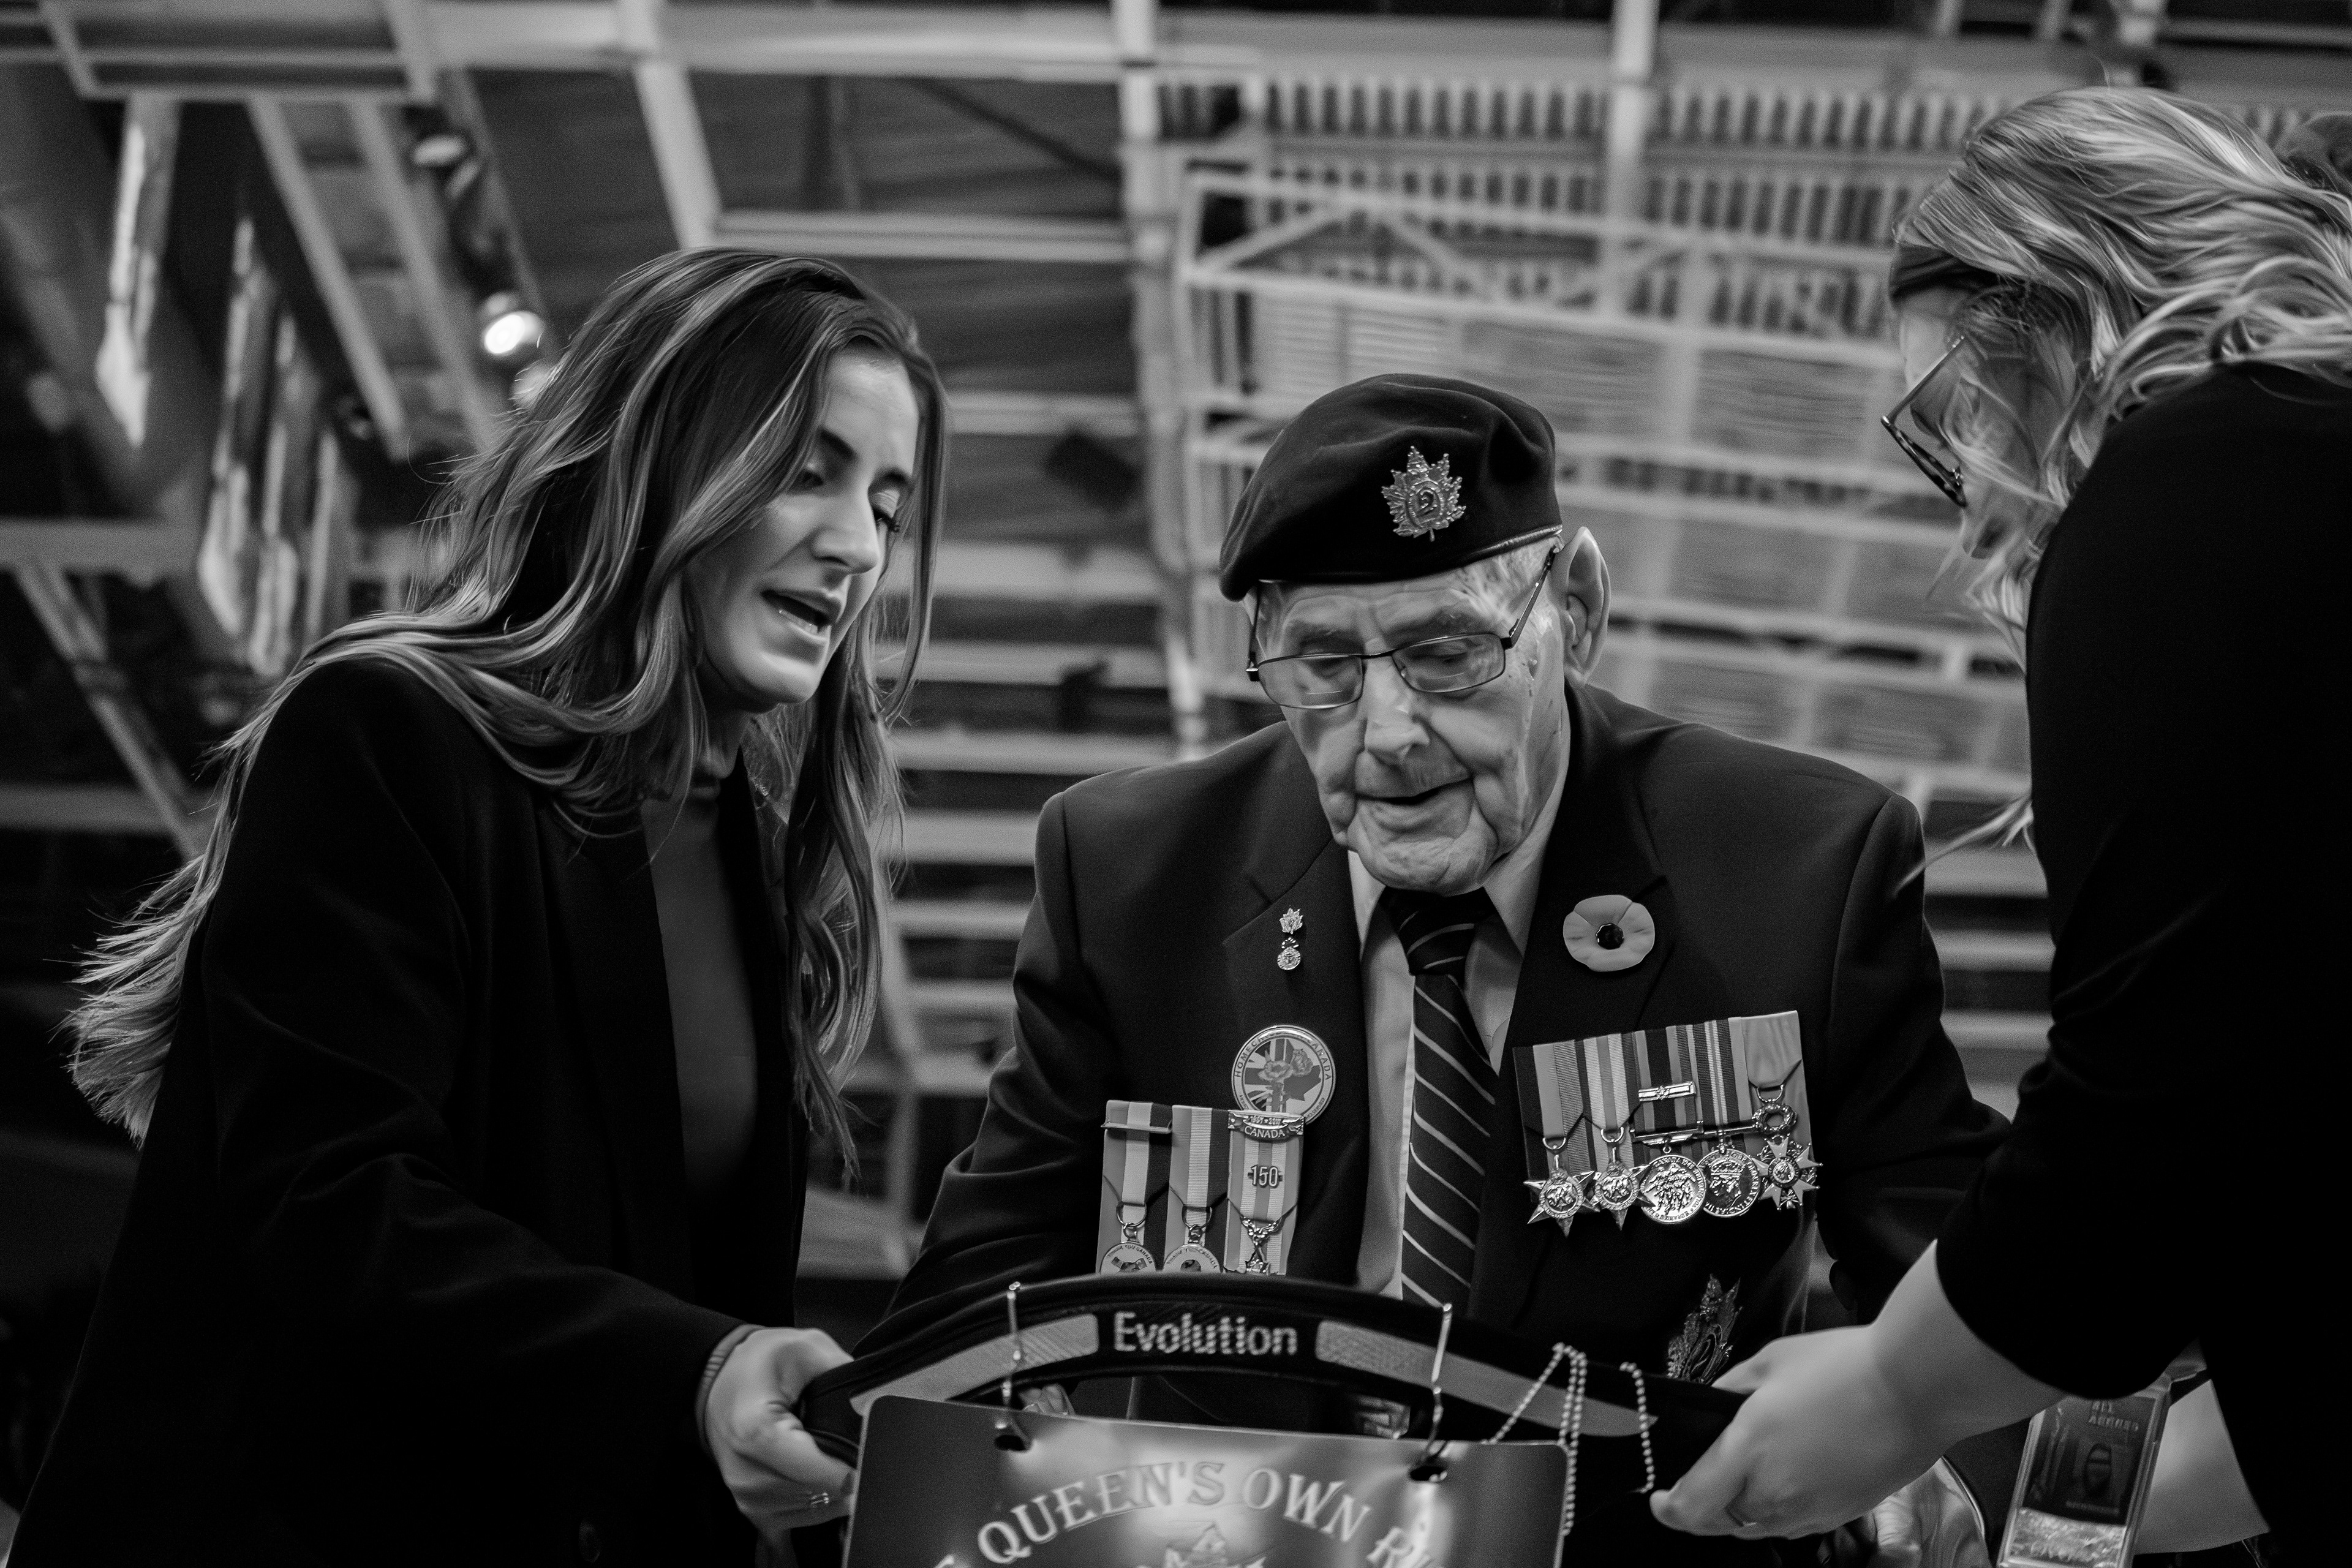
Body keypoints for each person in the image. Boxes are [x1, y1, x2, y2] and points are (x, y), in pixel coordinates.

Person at [862, 372, 2006, 1562]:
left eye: (1449, 652)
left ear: (1576, 607)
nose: (1391, 733)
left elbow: (1967, 1265)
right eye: (1323, 667)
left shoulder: (1795, 869)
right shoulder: (1133, 875)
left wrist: (1931, 1453)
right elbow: (980, 1291)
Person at [10, 250, 948, 1564]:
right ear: (656, 465)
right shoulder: (391, 729)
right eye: (808, 471)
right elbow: (331, 1202)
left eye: (888, 508)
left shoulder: (760, 864)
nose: (856, 547)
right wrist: (696, 1372)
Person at [1648, 88, 2352, 1562]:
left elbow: (2161, 1107)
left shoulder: (2208, 471)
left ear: (2052, 300)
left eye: (1949, 411)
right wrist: (2027, 1502)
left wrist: (1893, 1392)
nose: (1968, 483)